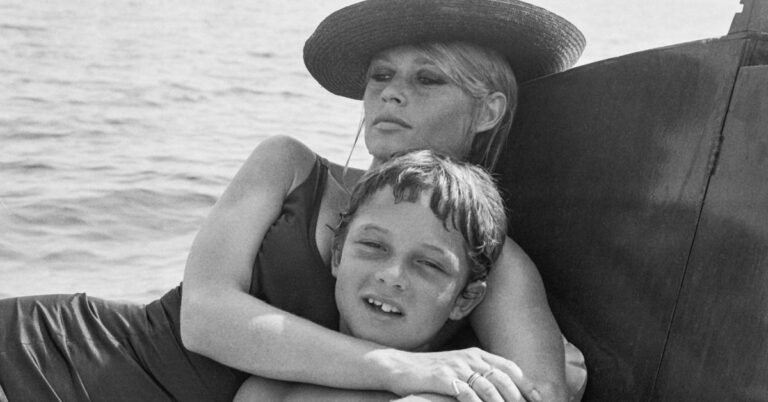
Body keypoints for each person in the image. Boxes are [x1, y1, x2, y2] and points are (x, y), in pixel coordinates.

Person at [0, 0, 587, 401]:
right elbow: (205, 319)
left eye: (426, 79)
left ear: (487, 110)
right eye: (380, 76)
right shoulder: (288, 165)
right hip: (55, 354)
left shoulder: (493, 259)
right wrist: (402, 369)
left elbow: (537, 393)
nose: (391, 94)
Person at [233, 149, 510, 401]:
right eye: (374, 245)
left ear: (465, 299)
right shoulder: (266, 393)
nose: (391, 276)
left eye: (428, 264)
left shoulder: (468, 393)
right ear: (338, 254)